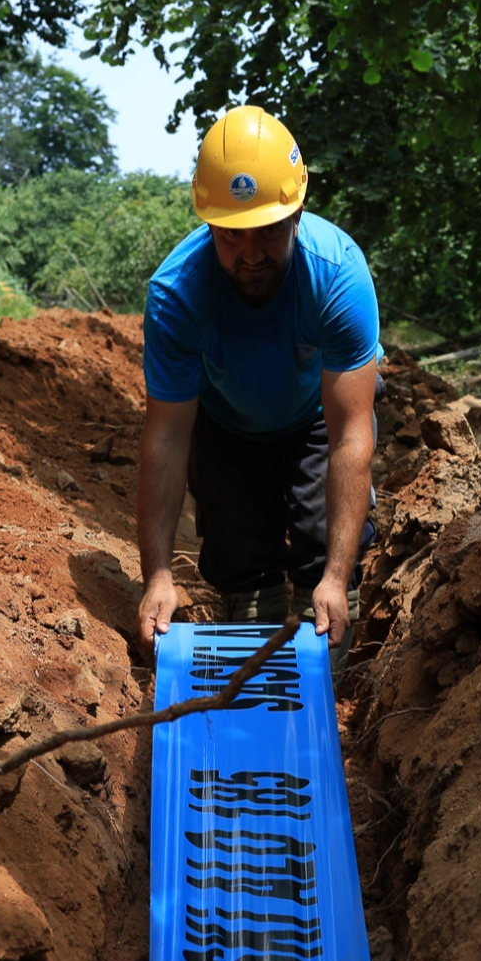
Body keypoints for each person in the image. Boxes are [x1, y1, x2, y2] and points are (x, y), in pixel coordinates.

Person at [135, 105, 382, 661]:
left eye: (267, 232)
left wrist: (337, 578)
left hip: (317, 415)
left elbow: (350, 437)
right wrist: (156, 575)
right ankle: (252, 650)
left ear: (296, 215)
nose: (250, 255)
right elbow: (168, 439)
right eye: (230, 236)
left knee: (324, 546)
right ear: (209, 225)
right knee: (242, 562)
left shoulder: (338, 275)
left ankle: (332, 656)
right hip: (225, 422)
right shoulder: (178, 294)